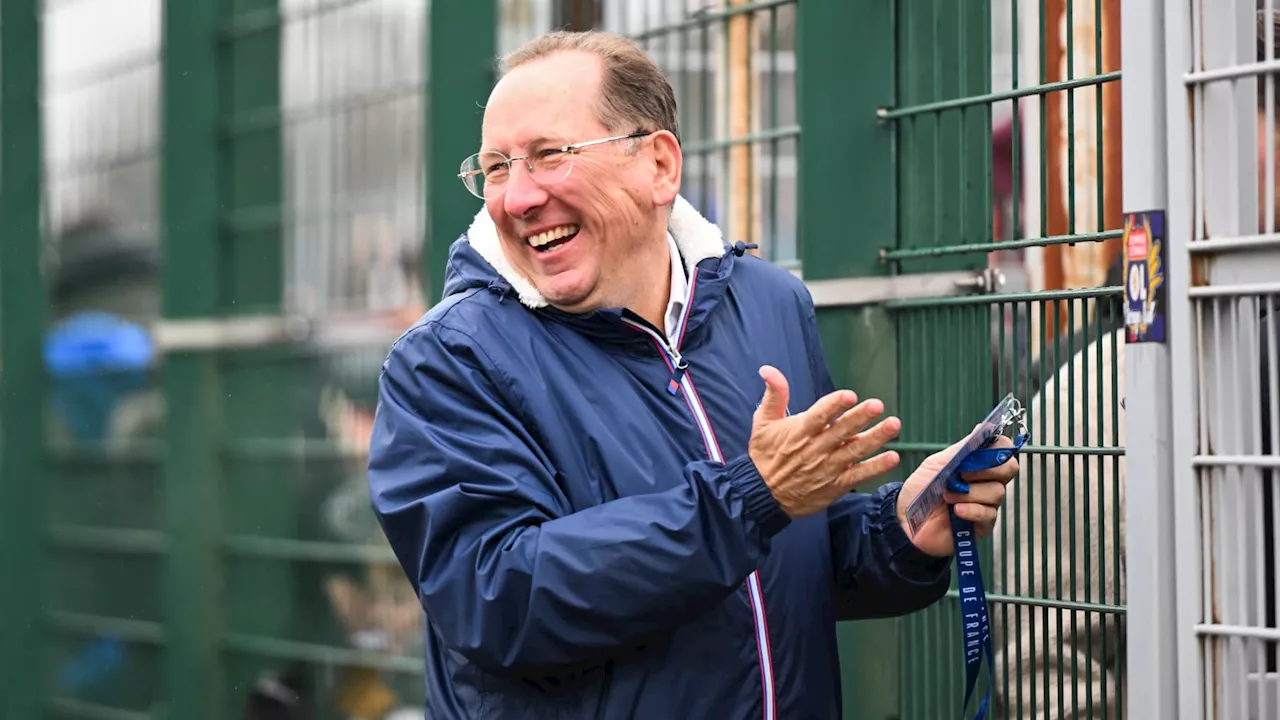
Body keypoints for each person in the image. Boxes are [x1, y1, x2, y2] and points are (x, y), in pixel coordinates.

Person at [367, 30, 1019, 718]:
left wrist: (899, 534)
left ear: (658, 165)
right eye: (496, 168)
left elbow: (781, 569)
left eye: (550, 156)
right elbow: (498, 600)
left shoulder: (770, 304)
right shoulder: (445, 360)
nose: (517, 198)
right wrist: (748, 498)